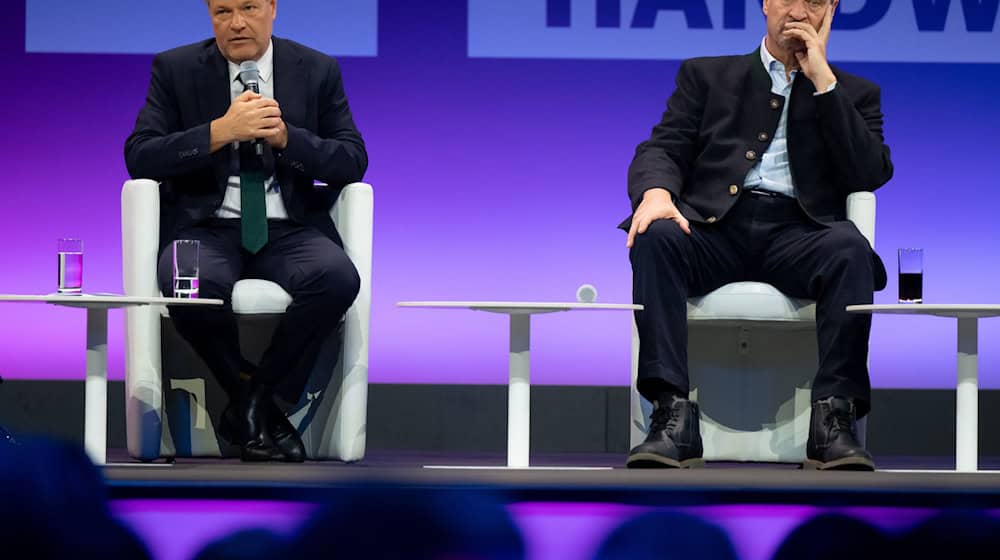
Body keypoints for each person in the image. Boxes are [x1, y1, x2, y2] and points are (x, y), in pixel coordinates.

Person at [624, 0, 892, 470]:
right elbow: (663, 146)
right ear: (765, 3)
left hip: (801, 234)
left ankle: (834, 422)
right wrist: (656, 193)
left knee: (850, 249)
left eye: (813, 0)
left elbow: (868, 172)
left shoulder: (853, 92)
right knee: (657, 236)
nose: (797, 10)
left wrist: (822, 81)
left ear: (830, 10)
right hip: (715, 228)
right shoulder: (707, 76)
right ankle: (671, 417)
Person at [124, 0, 367, 462]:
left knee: (338, 278)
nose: (236, 23)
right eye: (222, 11)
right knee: (185, 282)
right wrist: (218, 131)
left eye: (249, 8)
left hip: (287, 228)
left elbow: (352, 159)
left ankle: (252, 400)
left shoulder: (315, 69)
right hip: (205, 227)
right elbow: (140, 153)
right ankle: (260, 409)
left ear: (273, 8)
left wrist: (286, 138)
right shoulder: (175, 69)